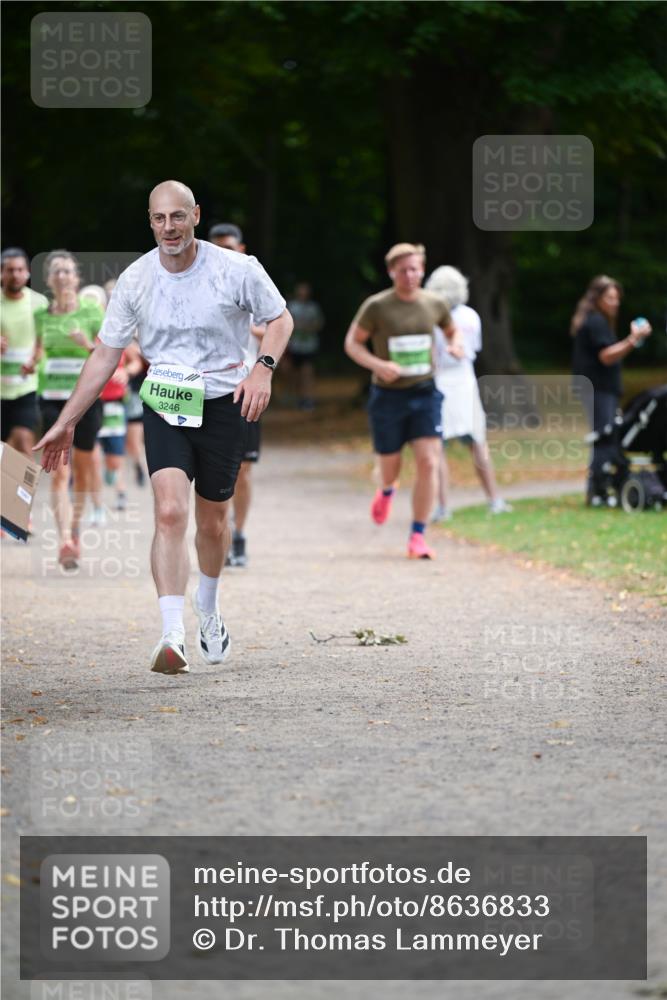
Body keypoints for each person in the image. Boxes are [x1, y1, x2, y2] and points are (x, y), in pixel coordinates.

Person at [35, 180, 293, 675]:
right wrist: (68, 421)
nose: (169, 228)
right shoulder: (136, 279)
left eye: (178, 216)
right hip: (166, 402)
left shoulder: (236, 269)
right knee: (170, 511)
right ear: (150, 221)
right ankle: (171, 632)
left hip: (224, 401)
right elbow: (106, 354)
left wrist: (262, 367)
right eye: (159, 219)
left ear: (195, 215)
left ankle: (209, 609)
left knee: (213, 521)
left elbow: (279, 320)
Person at [344, 242, 464, 559]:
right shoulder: (377, 306)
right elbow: (352, 344)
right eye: (403, 270)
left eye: (414, 269)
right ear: (391, 272)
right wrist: (378, 365)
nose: (410, 275)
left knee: (429, 461)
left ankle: (418, 536)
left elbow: (453, 331)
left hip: (424, 392)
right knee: (389, 468)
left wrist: (455, 345)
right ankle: (386, 490)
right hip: (387, 397)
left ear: (422, 270)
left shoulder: (434, 303)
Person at [31, 252, 104, 568]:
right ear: (49, 280)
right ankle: (64, 541)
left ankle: (74, 529)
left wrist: (85, 343)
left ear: (76, 278)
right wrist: (30, 362)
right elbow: (37, 353)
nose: (62, 276)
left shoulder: (92, 312)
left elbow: (106, 357)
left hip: (86, 400)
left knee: (84, 471)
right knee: (59, 472)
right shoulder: (42, 316)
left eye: (67, 271)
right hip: (52, 399)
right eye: (56, 271)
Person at [424, 265, 512, 519]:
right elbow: (474, 349)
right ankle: (494, 499)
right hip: (464, 379)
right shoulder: (471, 316)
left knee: (438, 446)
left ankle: (443, 506)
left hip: (440, 380)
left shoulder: (431, 316)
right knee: (477, 443)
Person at [208, 223, 265, 567]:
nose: (224, 254)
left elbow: (278, 327)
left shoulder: (255, 284)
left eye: (230, 247)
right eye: (218, 248)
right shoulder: (200, 287)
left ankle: (239, 533)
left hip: (246, 389)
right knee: (213, 471)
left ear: (241, 248)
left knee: (243, 469)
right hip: (210, 390)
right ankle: (221, 534)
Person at [571, 275, 652, 505]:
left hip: (601, 388)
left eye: (617, 298)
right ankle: (598, 491)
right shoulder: (595, 321)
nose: (615, 303)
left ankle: (598, 490)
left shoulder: (598, 321)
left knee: (604, 436)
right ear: (596, 299)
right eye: (609, 298)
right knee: (605, 437)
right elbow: (606, 356)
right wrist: (633, 339)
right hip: (597, 388)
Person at [1, 248, 47, 456]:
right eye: (10, 270)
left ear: (27, 272)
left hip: (25, 386)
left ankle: (25, 489)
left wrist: (34, 360)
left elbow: (43, 342)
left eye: (20, 269)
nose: (16, 274)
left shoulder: (39, 302)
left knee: (23, 439)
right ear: (2, 273)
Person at [284, 282, 324, 409]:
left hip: (309, 346)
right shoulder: (291, 306)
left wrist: (310, 327)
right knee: (294, 373)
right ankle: (297, 396)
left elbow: (319, 323)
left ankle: (307, 398)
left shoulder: (313, 308)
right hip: (294, 346)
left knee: (307, 371)